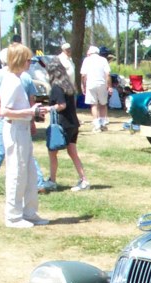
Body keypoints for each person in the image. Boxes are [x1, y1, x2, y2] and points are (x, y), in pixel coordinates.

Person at [0, 49, 51, 197]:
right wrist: (32, 119)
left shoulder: (1, 75)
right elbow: (32, 99)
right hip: (24, 119)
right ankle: (38, 182)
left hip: (10, 119)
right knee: (26, 152)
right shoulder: (26, 76)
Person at [0, 42, 49, 229]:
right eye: (28, 59)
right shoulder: (11, 81)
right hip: (15, 131)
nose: (30, 63)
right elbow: (4, 111)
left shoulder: (19, 80)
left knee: (29, 172)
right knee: (17, 174)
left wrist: (31, 113)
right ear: (20, 60)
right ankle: (13, 216)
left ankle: (29, 212)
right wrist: (30, 112)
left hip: (23, 129)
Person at [44, 60, 89, 192]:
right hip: (73, 123)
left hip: (63, 124)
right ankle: (84, 180)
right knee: (73, 153)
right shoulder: (68, 86)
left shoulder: (56, 88)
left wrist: (48, 108)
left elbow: (61, 105)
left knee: (52, 152)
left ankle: (52, 180)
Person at [80, 45, 111, 131]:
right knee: (103, 104)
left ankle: (97, 124)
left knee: (93, 104)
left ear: (90, 52)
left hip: (91, 84)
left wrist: (83, 85)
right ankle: (103, 123)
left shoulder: (86, 60)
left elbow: (83, 75)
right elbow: (107, 74)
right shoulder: (103, 60)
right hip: (102, 83)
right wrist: (109, 86)